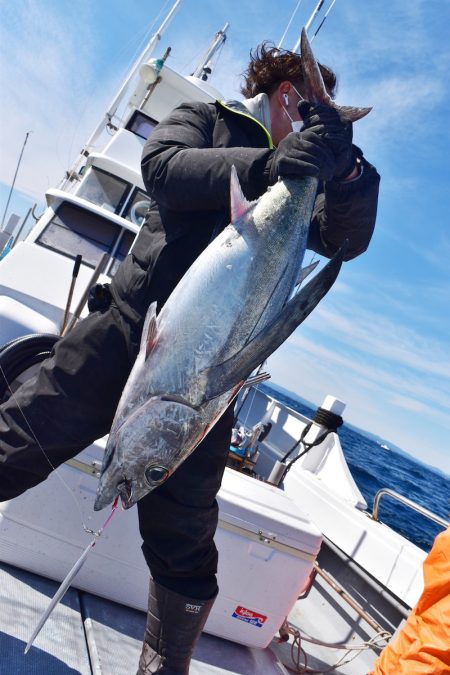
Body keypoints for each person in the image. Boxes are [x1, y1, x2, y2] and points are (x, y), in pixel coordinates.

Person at [0, 42, 380, 674]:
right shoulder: (207, 119)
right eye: (307, 102)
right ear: (284, 92)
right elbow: (164, 168)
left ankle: (164, 665)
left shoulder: (316, 169)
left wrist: (345, 174)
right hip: (126, 332)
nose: (309, 115)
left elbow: (347, 239)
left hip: (211, 376)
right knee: (18, 438)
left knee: (186, 536)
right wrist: (266, 166)